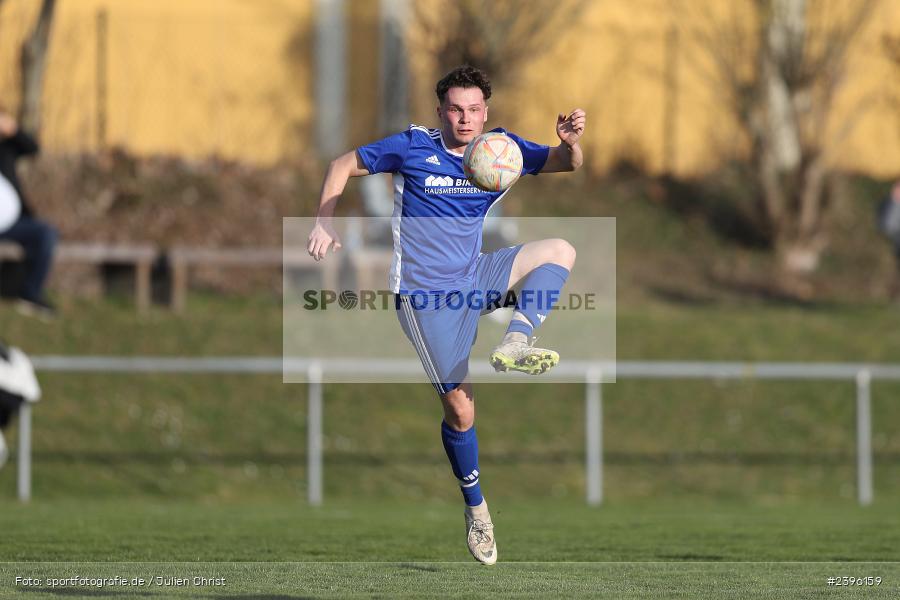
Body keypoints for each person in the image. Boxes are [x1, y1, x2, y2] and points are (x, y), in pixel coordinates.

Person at [307, 66, 585, 565]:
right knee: (461, 410)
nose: (466, 118)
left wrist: (569, 142)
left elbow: (566, 163)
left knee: (559, 250)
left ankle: (516, 340)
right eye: (456, 109)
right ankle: (477, 510)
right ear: (440, 112)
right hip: (424, 299)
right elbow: (342, 163)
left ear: (486, 112)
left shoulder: (502, 151)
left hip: (474, 275)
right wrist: (323, 222)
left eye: (475, 109)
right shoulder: (412, 148)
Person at [0, 105, 58, 319]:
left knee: (45, 233)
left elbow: (32, 148)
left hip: (10, 221)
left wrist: (13, 130)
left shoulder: (6, 148)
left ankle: (30, 293)